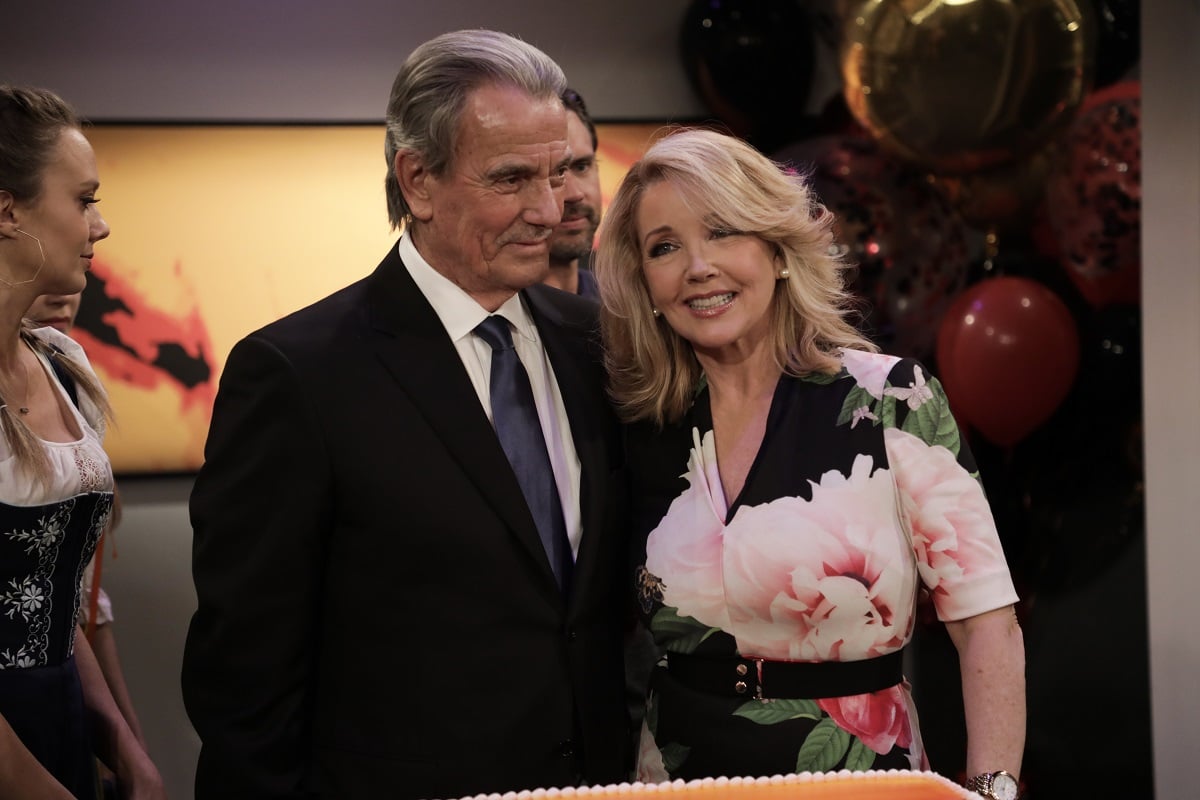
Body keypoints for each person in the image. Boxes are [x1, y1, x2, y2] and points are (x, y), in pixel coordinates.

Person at [182, 29, 630, 800]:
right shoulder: (299, 374)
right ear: (417, 180)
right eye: (512, 178)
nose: (550, 209)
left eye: (560, 174)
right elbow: (246, 681)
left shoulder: (598, 347)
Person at [592, 129, 1025, 797]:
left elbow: (985, 624)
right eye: (665, 247)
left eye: (723, 232)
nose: (697, 266)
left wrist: (994, 790)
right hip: (677, 777)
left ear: (779, 250)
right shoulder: (640, 424)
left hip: (858, 777)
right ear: (645, 282)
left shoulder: (890, 400)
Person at [0, 85, 165, 798]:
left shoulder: (62, 361)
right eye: (84, 200)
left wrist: (119, 739)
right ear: (8, 211)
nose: (99, 227)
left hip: (59, 711)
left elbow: (61, 607)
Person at [25, 291, 149, 747]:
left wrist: (127, 742)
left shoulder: (67, 373)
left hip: (65, 673)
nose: (63, 294)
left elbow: (81, 598)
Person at [542, 88, 602, 300]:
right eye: (555, 173)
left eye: (582, 166)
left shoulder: (625, 308)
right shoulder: (491, 321)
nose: (574, 194)